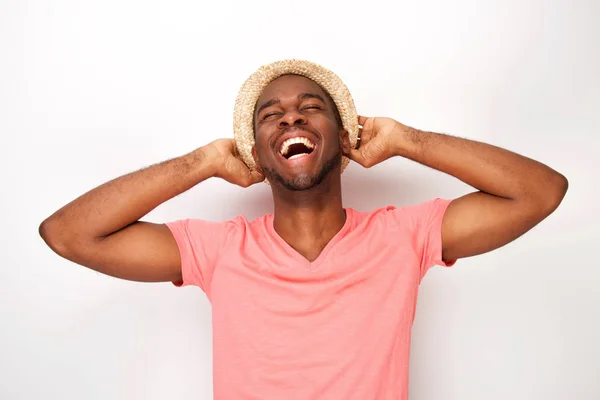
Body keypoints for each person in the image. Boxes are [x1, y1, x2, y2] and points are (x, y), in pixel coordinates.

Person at [39, 59, 568, 400]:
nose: (291, 119)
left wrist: (410, 140)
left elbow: (541, 191)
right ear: (256, 151)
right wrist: (200, 162)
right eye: (271, 116)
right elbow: (68, 234)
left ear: (344, 139)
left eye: (311, 108)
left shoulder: (403, 236)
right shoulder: (220, 250)